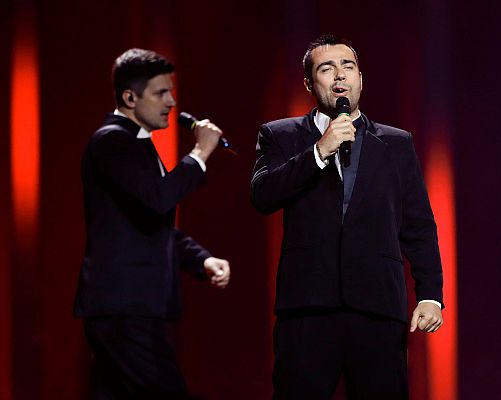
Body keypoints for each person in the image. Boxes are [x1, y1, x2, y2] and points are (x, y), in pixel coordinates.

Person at [250, 35, 444, 399]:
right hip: (307, 307)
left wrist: (430, 295)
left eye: (348, 66)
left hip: (378, 307)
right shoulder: (280, 135)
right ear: (309, 84)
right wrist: (319, 151)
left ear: (360, 79)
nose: (340, 75)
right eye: (327, 68)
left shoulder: (397, 143)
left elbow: (418, 224)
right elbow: (262, 195)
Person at [73, 48, 231, 399]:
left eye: (170, 92)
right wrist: (200, 153)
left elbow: (149, 222)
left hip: (127, 308)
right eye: (161, 93)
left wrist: (201, 259)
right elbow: (157, 199)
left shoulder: (137, 144)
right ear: (130, 97)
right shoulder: (112, 142)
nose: (171, 102)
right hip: (124, 307)